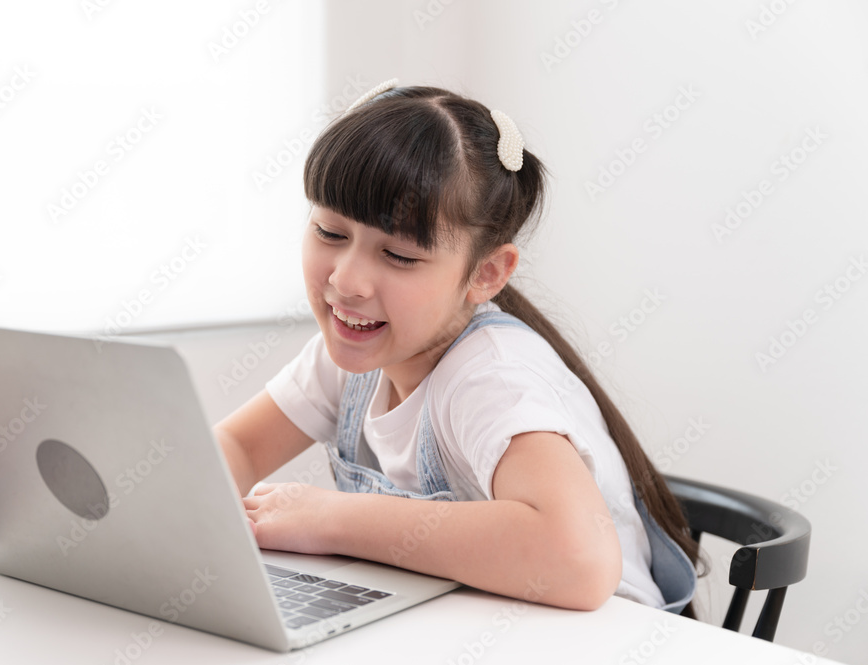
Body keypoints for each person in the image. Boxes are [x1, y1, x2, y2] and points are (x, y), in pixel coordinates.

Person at [214, 80, 701, 615]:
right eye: (330, 233)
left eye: (398, 255)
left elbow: (579, 560)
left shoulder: (491, 378)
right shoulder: (358, 354)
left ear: (486, 274)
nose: (348, 280)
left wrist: (329, 518)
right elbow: (236, 448)